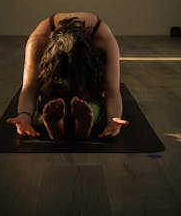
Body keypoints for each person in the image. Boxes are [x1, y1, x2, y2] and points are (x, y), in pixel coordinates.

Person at [7, 12, 128, 140]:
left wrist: (113, 120)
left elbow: (112, 89)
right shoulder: (38, 40)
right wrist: (25, 116)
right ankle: (55, 125)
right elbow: (30, 87)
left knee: (93, 102)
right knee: (50, 103)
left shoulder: (103, 40)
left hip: (86, 77)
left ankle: (83, 123)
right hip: (55, 77)